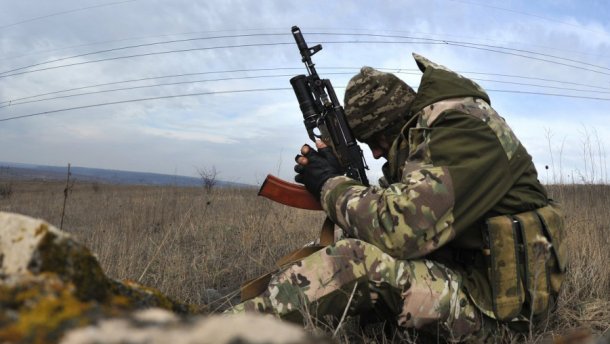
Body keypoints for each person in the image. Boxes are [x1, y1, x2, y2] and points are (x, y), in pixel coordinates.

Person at [227, 53, 566, 342]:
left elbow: (399, 231)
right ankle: (250, 304)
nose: (375, 154)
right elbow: (395, 209)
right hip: (474, 285)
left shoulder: (464, 128)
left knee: (355, 260)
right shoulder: (432, 136)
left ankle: (221, 330)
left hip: (502, 317)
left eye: (377, 139)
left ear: (399, 122)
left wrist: (330, 184)